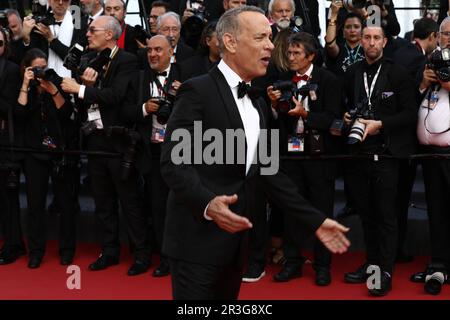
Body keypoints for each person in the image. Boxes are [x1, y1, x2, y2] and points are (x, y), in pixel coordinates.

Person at [160, 5, 350, 300]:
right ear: (231, 43)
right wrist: (209, 204)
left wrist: (316, 220)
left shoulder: (259, 103)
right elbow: (174, 164)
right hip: (196, 243)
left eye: (271, 38)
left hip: (238, 246)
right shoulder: (197, 91)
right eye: (261, 37)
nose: (272, 46)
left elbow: (270, 173)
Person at [61, 16, 150, 275]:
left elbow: (116, 97)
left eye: (92, 30)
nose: (87, 34)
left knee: (129, 202)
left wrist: (80, 89)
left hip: (119, 142)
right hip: (94, 140)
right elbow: (85, 103)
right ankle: (109, 251)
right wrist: (84, 90)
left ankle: (141, 254)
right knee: (103, 202)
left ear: (109, 35)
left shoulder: (127, 60)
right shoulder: (87, 59)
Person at [342, 25, 417, 296]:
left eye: (376, 38)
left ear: (385, 41)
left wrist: (381, 124)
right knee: (367, 216)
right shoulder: (352, 72)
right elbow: (345, 106)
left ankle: (384, 272)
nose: (371, 42)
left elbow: (410, 114)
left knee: (386, 216)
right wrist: (348, 118)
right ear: (361, 41)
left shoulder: (398, 73)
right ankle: (371, 264)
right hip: (357, 154)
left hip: (386, 154)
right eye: (367, 38)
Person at [268, 31, 343, 286]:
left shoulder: (329, 80)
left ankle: (323, 265)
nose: (291, 57)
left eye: (297, 53)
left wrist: (306, 115)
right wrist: (273, 107)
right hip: (292, 154)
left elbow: (335, 119)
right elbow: (274, 121)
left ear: (311, 56)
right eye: (289, 52)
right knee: (292, 210)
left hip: (320, 156)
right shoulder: (281, 81)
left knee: (322, 211)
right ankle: (292, 262)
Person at [17, 48, 79, 268]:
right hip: (34, 153)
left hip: (59, 153)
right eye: (36, 68)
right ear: (27, 69)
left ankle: (67, 250)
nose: (41, 71)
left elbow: (67, 115)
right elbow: (19, 114)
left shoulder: (55, 83)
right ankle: (36, 251)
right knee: (35, 204)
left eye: (44, 67)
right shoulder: (25, 89)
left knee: (66, 203)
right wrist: (26, 84)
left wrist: (53, 91)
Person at [410, 17, 450, 290]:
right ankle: (439, 263)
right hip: (431, 155)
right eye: (445, 33)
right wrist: (424, 83)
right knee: (437, 211)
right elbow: (411, 101)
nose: (448, 37)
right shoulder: (431, 62)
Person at [0, 27, 25, 265]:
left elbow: (8, 105)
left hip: (5, 143)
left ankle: (13, 244)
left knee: (8, 198)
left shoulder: (10, 69)